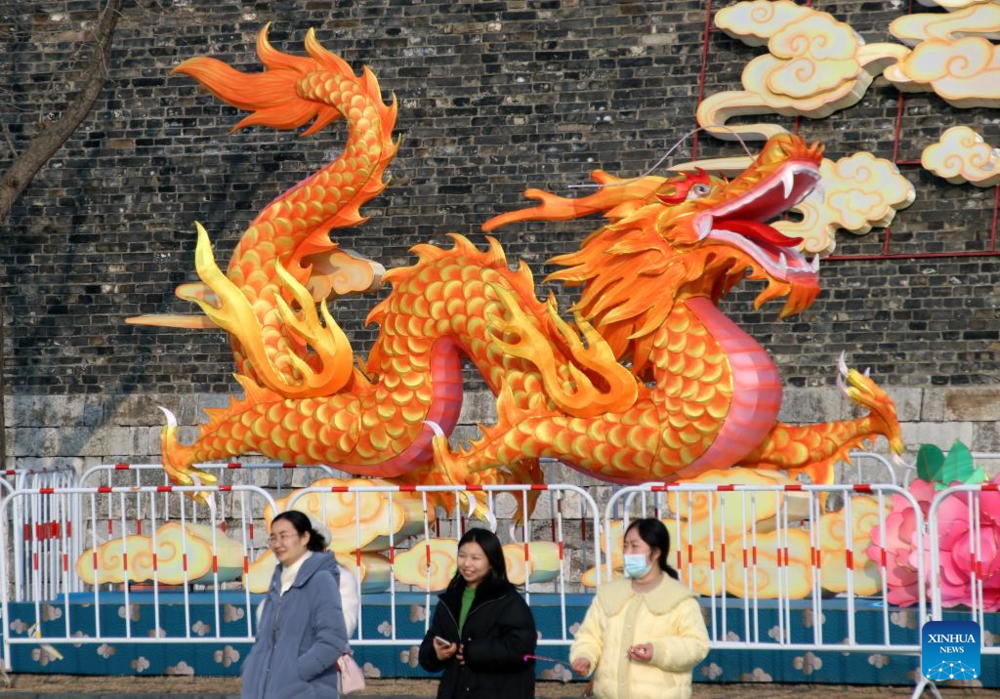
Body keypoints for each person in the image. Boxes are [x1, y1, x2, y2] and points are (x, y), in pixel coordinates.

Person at [569, 518, 710, 699]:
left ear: (656, 552)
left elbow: (696, 645)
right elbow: (589, 635)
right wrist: (584, 656)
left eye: (635, 546)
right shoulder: (608, 595)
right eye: (625, 546)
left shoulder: (679, 599)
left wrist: (657, 651)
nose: (627, 553)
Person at [418, 528, 537, 699]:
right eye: (462, 556)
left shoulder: (508, 600)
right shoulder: (449, 599)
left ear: (492, 562)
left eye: (475, 558)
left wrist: (474, 652)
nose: (467, 564)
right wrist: (434, 653)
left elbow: (521, 648)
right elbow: (432, 639)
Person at [241, 511, 348, 699]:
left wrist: (295, 673)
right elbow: (265, 637)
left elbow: (333, 640)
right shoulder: (278, 579)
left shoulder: (321, 579)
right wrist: (251, 668)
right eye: (273, 538)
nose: (277, 544)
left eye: (284, 536)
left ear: (305, 537)